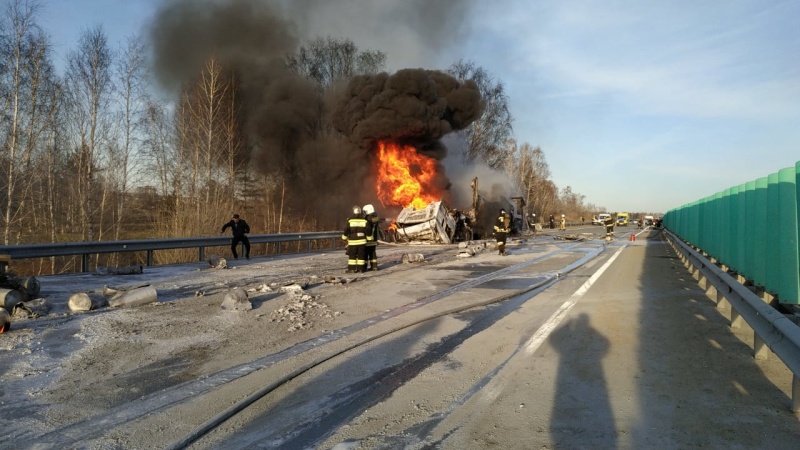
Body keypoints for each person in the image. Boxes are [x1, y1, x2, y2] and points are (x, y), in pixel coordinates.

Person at [342, 205, 370, 273]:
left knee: (352, 255)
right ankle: (361, 269)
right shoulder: (364, 220)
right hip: (362, 241)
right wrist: (369, 238)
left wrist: (344, 237)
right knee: (361, 255)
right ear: (360, 211)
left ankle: (352, 269)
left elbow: (347, 229)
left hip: (353, 241)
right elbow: (368, 230)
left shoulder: (350, 220)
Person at [363, 204, 380, 271]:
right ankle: (374, 267)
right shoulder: (375, 217)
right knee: (372, 252)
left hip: (369, 238)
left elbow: (368, 229)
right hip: (374, 238)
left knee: (366, 252)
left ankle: (364, 267)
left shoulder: (368, 218)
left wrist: (369, 237)